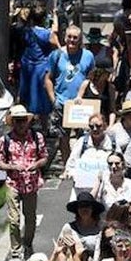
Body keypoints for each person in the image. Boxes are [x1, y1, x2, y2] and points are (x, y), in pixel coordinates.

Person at [0, 105, 48, 261]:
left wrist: (36, 165)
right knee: (14, 220)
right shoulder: (4, 140)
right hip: (13, 184)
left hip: (31, 183)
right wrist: (12, 167)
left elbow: (44, 157)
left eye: (23, 120)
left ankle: (28, 246)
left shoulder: (36, 137)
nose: (21, 124)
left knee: (30, 218)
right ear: (13, 122)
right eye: (17, 121)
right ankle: (16, 253)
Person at [46, 25, 96, 167]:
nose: (72, 40)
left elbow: (90, 77)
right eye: (69, 37)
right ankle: (67, 166)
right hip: (62, 102)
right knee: (63, 137)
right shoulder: (56, 55)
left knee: (84, 137)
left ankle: (81, 166)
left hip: (81, 104)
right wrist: (53, 99)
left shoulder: (88, 56)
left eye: (75, 38)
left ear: (80, 40)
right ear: (65, 37)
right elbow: (48, 79)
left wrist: (80, 94)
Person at [18, 4, 60, 130]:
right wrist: (55, 16)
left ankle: (26, 126)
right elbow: (56, 41)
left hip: (27, 65)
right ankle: (44, 128)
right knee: (42, 100)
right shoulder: (46, 34)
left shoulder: (26, 31)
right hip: (41, 67)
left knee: (27, 97)